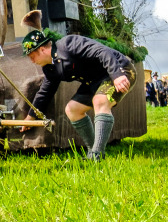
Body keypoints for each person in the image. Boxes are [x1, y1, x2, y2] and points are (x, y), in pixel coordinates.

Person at [20, 26, 135, 160]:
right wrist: (30, 118)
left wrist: (117, 75)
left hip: (119, 69)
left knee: (100, 101)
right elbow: (45, 92)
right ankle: (93, 151)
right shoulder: (50, 69)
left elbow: (102, 51)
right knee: (72, 109)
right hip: (93, 81)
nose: (32, 61)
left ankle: (97, 156)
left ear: (42, 49)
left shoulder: (69, 44)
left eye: (32, 56)